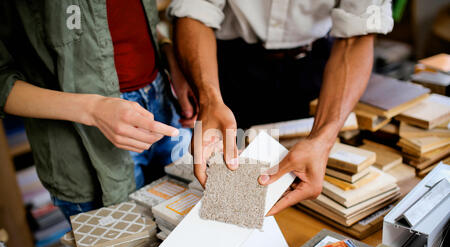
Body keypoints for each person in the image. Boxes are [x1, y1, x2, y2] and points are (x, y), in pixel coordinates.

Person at [168, 0, 393, 215]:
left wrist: (322, 140)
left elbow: (357, 34)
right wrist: (210, 99)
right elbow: (196, 8)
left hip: (316, 67)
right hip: (227, 67)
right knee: (224, 175)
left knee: (294, 184)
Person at [0, 0, 196, 217]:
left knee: (193, 233)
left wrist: (169, 55)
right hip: (82, 142)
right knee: (130, 246)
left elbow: (122, 20)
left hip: (164, 103)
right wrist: (93, 110)